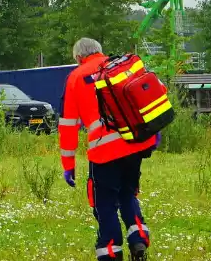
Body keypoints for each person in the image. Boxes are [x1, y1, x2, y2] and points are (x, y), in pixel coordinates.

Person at [59, 37, 158, 261]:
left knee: (104, 203)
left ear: (78, 58)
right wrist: (153, 134)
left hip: (104, 152)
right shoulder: (120, 66)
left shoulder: (76, 77)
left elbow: (68, 126)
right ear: (100, 52)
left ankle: (110, 252)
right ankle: (139, 238)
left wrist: (68, 165)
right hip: (134, 144)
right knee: (127, 192)